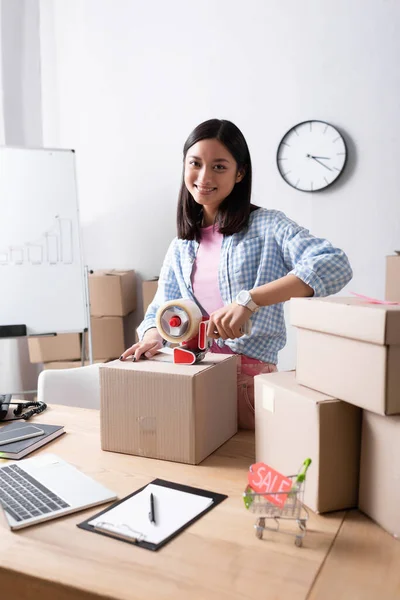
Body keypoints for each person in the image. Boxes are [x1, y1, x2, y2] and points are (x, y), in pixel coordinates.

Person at [120, 119, 353, 429]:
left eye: (219, 167)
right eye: (195, 164)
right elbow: (160, 310)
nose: (204, 177)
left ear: (239, 173)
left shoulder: (268, 226)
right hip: (193, 376)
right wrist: (151, 338)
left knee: (244, 472)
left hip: (249, 384)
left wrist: (250, 301)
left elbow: (334, 263)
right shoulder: (182, 245)